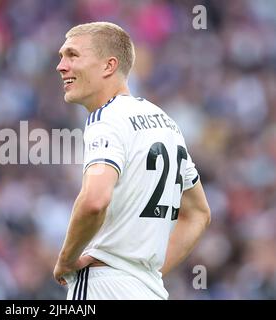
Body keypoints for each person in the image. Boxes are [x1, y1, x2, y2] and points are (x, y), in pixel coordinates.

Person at [53, 22, 211, 300]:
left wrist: (66, 260)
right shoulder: (166, 123)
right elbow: (198, 213)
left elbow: (94, 201)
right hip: (149, 291)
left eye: (73, 55)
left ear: (108, 66)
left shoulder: (105, 119)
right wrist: (147, 272)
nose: (61, 66)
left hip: (102, 285)